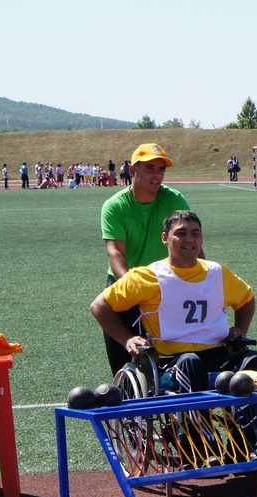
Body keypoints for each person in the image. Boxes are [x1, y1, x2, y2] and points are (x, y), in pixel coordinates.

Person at [91, 209, 257, 394]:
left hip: (217, 354)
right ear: (165, 238)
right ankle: (197, 423)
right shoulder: (148, 276)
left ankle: (252, 423)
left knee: (254, 359)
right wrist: (126, 338)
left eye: (195, 234)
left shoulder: (219, 273)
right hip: (171, 360)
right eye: (181, 234)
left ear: (202, 239)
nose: (189, 240)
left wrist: (240, 329)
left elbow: (246, 299)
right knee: (190, 363)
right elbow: (99, 306)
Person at [99, 143, 193, 375]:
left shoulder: (174, 200)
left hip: (166, 285)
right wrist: (133, 285)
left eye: (161, 169)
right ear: (133, 171)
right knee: (126, 364)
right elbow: (115, 252)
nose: (157, 175)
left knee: (179, 362)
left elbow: (191, 245)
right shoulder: (115, 206)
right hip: (127, 283)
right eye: (150, 168)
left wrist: (202, 281)